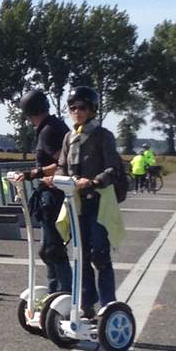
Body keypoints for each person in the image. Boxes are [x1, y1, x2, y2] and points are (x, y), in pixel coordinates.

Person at [46, 86, 126, 320]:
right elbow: (62, 166)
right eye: (72, 108)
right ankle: (86, 302)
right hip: (76, 203)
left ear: (92, 110)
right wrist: (56, 179)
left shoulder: (102, 135)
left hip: (98, 202)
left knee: (99, 255)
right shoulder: (69, 137)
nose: (76, 112)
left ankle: (108, 305)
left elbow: (113, 168)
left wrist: (94, 181)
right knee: (80, 255)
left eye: (81, 107)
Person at [15, 90, 73, 297]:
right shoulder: (54, 126)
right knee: (48, 249)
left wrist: (34, 173)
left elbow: (64, 163)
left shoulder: (48, 131)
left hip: (53, 195)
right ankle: (54, 291)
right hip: (54, 194)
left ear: (29, 112)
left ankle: (64, 293)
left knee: (53, 249)